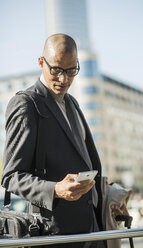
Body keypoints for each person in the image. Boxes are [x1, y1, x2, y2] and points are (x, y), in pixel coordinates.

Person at [1, 34, 127, 248]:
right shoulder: (26, 105)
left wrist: (108, 201)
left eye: (71, 71)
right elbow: (11, 176)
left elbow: (86, 164)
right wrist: (55, 190)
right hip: (57, 236)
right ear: (41, 62)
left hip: (93, 231)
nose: (64, 79)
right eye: (57, 70)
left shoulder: (73, 103)